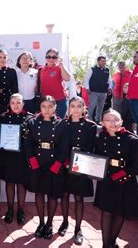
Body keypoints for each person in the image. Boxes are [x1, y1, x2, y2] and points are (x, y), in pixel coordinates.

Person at [94, 109, 138, 248]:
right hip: (106, 180)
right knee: (107, 212)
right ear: (102, 122)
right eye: (108, 120)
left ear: (121, 121)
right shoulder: (100, 138)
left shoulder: (132, 139)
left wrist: (119, 176)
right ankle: (105, 245)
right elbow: (96, 157)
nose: (113, 123)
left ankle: (111, 242)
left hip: (125, 181)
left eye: (116, 119)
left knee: (119, 212)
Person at [26, 95, 69, 239]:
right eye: (44, 106)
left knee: (52, 196)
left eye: (50, 106)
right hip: (38, 163)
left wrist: (57, 165)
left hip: (54, 164)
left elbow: (64, 147)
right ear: (40, 107)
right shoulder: (32, 122)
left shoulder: (62, 124)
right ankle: (41, 223)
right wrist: (33, 162)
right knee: (39, 194)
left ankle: (49, 224)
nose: (47, 109)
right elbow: (28, 144)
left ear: (55, 107)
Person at [59, 97, 97, 245]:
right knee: (64, 195)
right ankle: (64, 222)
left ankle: (78, 229)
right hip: (65, 163)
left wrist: (79, 163)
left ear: (84, 108)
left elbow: (91, 147)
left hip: (82, 165)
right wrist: (66, 162)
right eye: (72, 106)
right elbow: (60, 146)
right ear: (68, 108)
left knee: (79, 198)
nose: (75, 109)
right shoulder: (63, 124)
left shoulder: (90, 126)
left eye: (79, 106)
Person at [0, 93, 33, 225]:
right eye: (13, 103)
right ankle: (10, 210)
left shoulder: (29, 118)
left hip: (23, 157)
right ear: (9, 104)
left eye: (18, 102)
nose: (16, 105)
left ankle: (21, 210)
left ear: (23, 103)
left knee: (21, 184)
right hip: (8, 156)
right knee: (10, 183)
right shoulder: (4, 117)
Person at [38, 48, 72, 118]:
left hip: (59, 101)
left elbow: (67, 78)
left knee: (59, 123)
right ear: (45, 58)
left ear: (57, 58)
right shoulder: (40, 69)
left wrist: (61, 66)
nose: (51, 59)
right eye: (48, 57)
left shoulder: (59, 68)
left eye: (54, 57)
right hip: (46, 101)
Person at [85, 56, 112, 122]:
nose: (104, 63)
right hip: (93, 91)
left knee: (101, 107)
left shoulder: (107, 70)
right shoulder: (92, 69)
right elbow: (86, 79)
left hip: (103, 92)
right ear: (98, 61)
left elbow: (110, 80)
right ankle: (88, 120)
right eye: (102, 61)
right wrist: (87, 88)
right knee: (92, 106)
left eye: (105, 61)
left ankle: (98, 120)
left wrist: (110, 88)